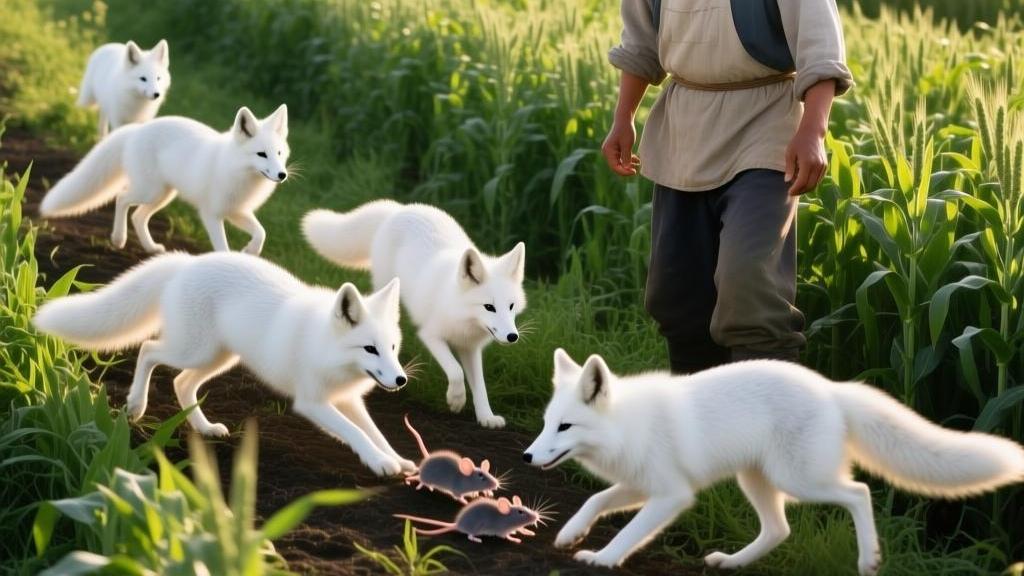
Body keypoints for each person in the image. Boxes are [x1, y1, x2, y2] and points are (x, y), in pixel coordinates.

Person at [604, 0, 853, 373]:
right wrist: (622, 117)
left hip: (766, 127)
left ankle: (768, 420)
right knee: (677, 294)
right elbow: (641, 44)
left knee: (750, 284)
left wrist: (813, 131)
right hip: (683, 131)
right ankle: (699, 420)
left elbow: (821, 49)